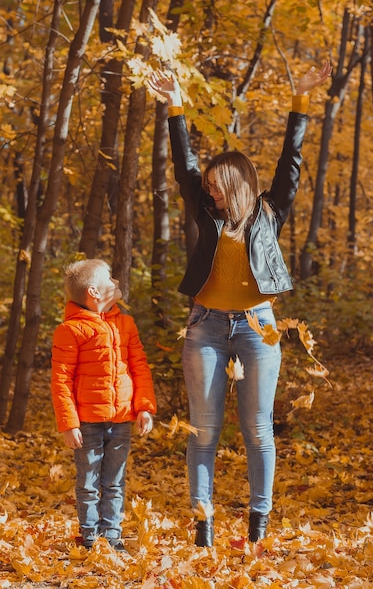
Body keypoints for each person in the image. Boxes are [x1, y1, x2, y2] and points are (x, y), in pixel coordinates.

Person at [147, 60, 332, 546]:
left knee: (257, 432)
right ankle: (202, 527)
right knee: (204, 432)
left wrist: (302, 100)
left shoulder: (270, 212)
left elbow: (290, 162)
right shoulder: (206, 213)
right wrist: (175, 102)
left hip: (258, 328)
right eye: (206, 186)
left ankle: (257, 526)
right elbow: (183, 164)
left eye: (215, 184)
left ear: (237, 183)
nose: (208, 189)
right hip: (205, 326)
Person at [51, 258, 157, 552]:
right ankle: (90, 538)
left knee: (114, 482)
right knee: (88, 483)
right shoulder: (70, 330)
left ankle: (112, 535)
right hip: (87, 424)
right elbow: (60, 381)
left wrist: (144, 407)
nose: (117, 283)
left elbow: (139, 367)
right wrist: (68, 424)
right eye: (110, 279)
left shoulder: (125, 324)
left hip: (122, 419)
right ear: (95, 293)